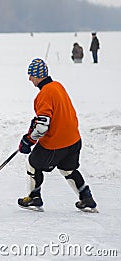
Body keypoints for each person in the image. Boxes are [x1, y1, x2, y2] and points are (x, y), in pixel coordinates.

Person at [18, 58, 97, 212]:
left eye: (31, 75)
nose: (29, 79)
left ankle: (34, 198)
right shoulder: (58, 86)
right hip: (73, 139)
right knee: (68, 169)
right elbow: (56, 115)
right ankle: (86, 198)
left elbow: (42, 126)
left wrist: (28, 140)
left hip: (56, 142)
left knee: (33, 164)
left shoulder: (44, 94)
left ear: (39, 75)